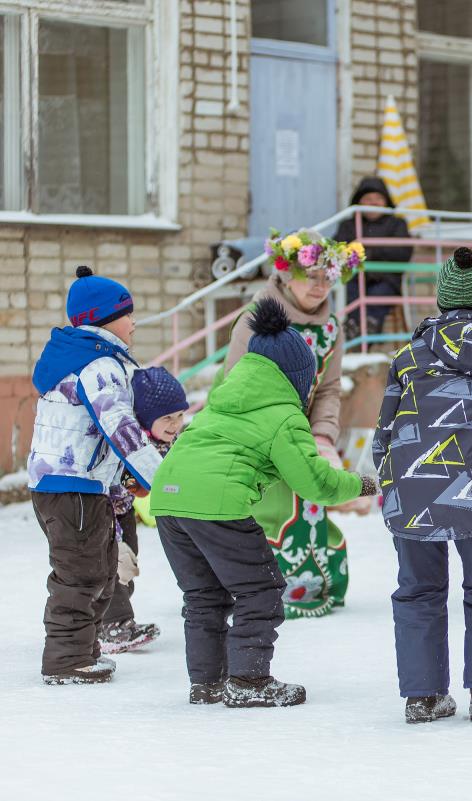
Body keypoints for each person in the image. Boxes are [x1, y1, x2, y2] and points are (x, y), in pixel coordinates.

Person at [151, 299, 376, 708]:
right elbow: (317, 484)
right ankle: (249, 681)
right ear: (298, 378)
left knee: (203, 595)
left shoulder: (220, 402)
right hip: (218, 503)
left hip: (168, 499)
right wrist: (363, 484)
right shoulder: (283, 415)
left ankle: (207, 684)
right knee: (261, 589)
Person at [374, 247, 472, 724]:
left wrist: (392, 486)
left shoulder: (410, 354)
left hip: (411, 492)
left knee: (418, 589)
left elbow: (385, 429)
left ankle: (422, 696)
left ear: (443, 300)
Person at [27, 266, 163, 685]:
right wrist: (165, 480)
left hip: (71, 485)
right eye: (128, 314)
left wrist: (125, 476)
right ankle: (66, 660)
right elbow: (122, 430)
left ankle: (84, 651)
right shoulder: (98, 363)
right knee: (80, 574)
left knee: (101, 568)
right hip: (73, 488)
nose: (134, 322)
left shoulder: (81, 356)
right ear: (104, 320)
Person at [224, 233, 361, 619]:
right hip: (259, 432)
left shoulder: (331, 326)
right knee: (270, 509)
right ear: (285, 273)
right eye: (311, 276)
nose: (320, 286)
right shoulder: (256, 320)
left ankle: (313, 583)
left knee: (311, 501)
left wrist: (322, 436)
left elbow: (329, 388)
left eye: (327, 277)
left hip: (303, 435)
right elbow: (238, 381)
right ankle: (257, 591)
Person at [99, 366, 189, 655]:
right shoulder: (133, 443)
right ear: (147, 419)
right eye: (167, 418)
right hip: (103, 507)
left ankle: (110, 620)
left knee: (129, 564)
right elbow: (124, 481)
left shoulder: (169, 439)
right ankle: (115, 625)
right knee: (115, 563)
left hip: (124, 509)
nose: (175, 424)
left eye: (179, 415)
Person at [333, 176, 414, 342]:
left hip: (386, 278)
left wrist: (366, 250)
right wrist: (377, 250)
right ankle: (356, 329)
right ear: (359, 202)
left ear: (386, 201)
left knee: (379, 294)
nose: (373, 203)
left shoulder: (397, 224)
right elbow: (338, 249)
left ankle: (366, 331)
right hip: (355, 277)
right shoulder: (349, 224)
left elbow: (403, 253)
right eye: (368, 199)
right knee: (351, 290)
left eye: (378, 198)